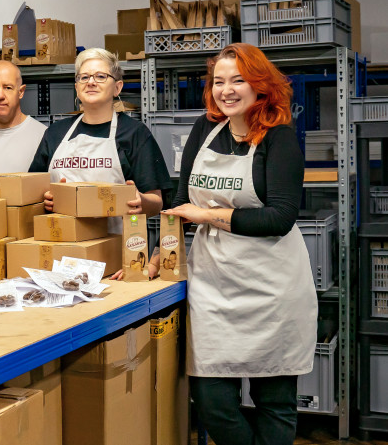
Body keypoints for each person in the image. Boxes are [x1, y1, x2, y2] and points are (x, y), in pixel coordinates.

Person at [163, 43, 317, 445]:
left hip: (271, 288)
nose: (226, 90)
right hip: (213, 286)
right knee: (212, 402)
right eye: (218, 81)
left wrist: (208, 216)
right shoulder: (204, 129)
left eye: (238, 80)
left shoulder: (278, 139)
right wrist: (159, 260)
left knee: (274, 402)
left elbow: (280, 218)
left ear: (260, 85)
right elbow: (182, 202)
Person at [29, 48, 172, 231]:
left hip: (114, 249)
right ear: (77, 88)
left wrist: (140, 200)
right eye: (84, 77)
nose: (91, 82)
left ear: (117, 87)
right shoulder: (55, 133)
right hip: (62, 246)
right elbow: (33, 193)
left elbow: (157, 202)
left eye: (100, 76)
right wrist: (45, 199)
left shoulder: (135, 134)